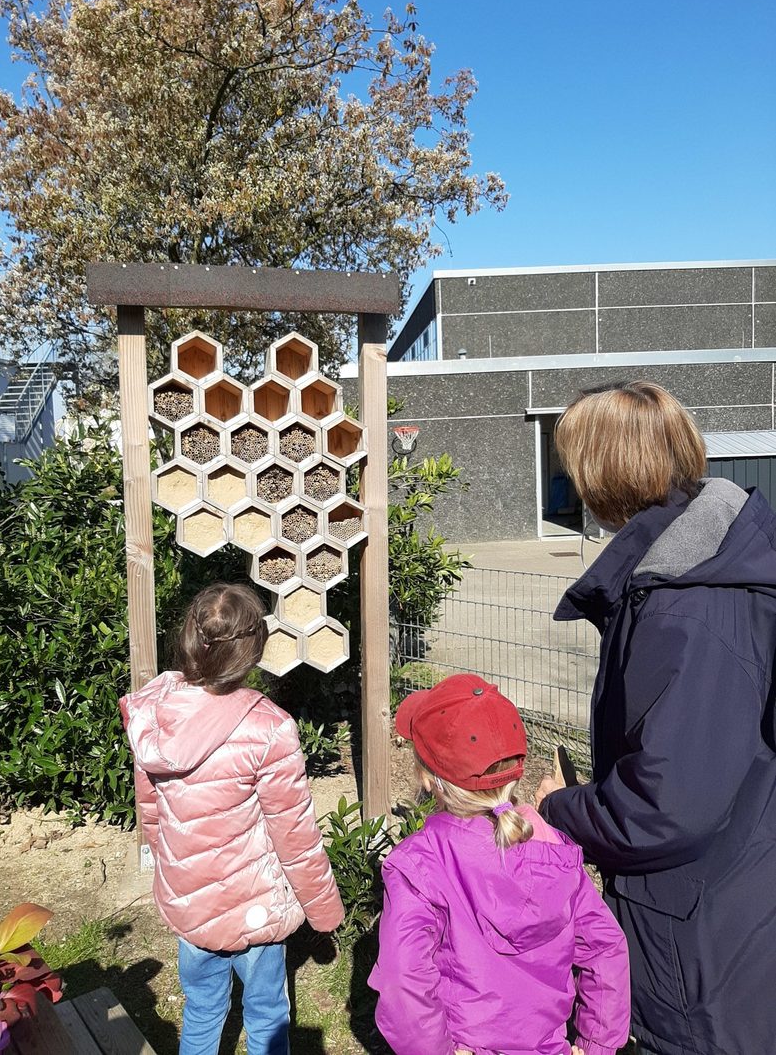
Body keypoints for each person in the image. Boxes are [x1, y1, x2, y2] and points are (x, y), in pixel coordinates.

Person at [536, 381, 776, 1055]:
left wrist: (563, 809)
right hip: (739, 893)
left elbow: (668, 805)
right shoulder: (704, 563)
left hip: (708, 940)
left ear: (600, 472)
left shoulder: (687, 606)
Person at [120, 583, 344, 1055]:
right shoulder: (268, 727)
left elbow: (152, 811)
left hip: (192, 905)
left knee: (201, 1009)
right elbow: (295, 835)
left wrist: (171, 869)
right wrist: (324, 913)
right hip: (251, 908)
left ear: (187, 640)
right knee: (266, 1016)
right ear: (253, 648)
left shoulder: (153, 713)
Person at [369, 673, 630, 1055]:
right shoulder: (555, 850)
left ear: (429, 779)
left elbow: (402, 980)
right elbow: (605, 947)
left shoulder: (418, 866)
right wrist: (597, 1045)